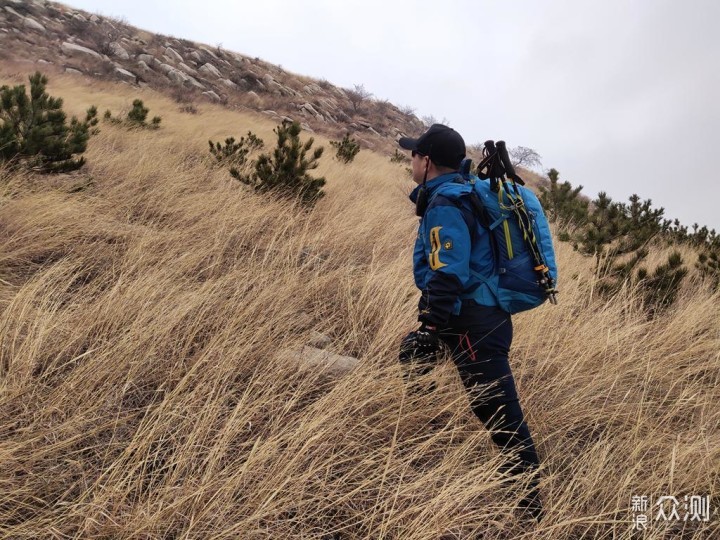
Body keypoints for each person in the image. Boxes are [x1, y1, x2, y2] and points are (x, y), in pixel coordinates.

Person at [398, 124, 544, 522]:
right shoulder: (457, 193)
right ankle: (418, 452)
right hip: (478, 317)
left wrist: (428, 327)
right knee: (426, 375)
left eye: (413, 154)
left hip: (473, 324)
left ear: (426, 161)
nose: (409, 159)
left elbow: (448, 272)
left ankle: (532, 511)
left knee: (499, 413)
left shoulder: (446, 203)